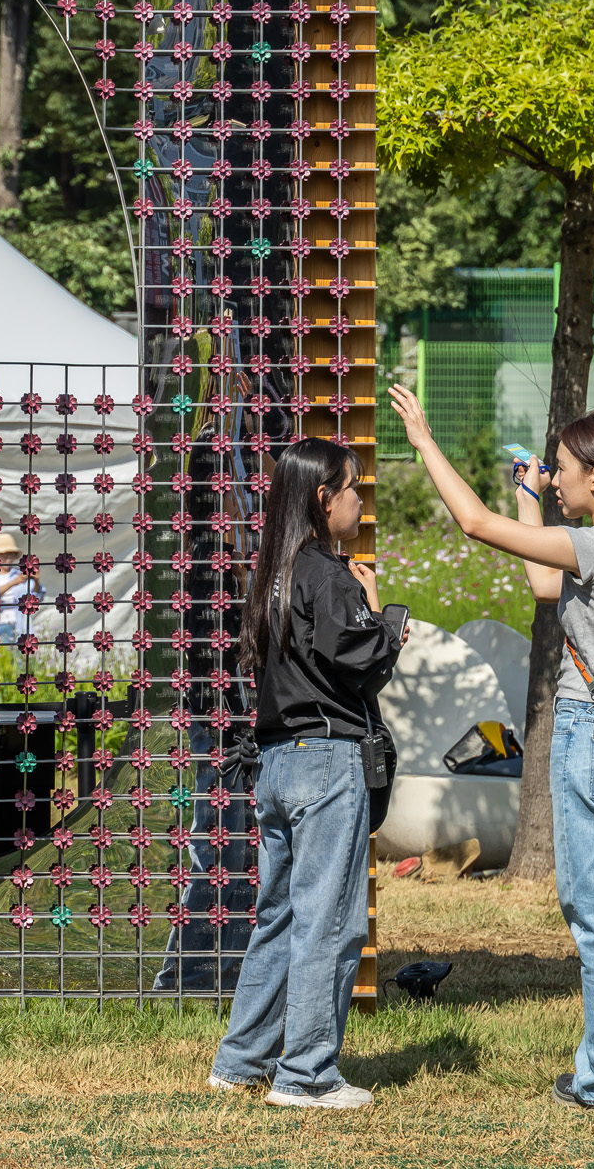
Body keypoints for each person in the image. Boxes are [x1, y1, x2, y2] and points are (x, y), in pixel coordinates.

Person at [386, 385, 594, 1111]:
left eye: (563, 468)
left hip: (593, 740)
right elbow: (545, 584)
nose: (555, 475)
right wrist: (530, 495)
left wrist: (423, 442)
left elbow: (474, 525)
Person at [208, 437, 408, 1110]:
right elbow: (358, 659)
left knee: (279, 915)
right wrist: (385, 620)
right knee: (331, 921)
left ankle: (241, 1061)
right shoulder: (328, 574)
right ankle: (308, 1075)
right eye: (353, 488)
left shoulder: (274, 571)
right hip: (326, 761)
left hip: (275, 761)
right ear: (324, 499)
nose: (360, 501)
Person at [0, 534, 40, 646]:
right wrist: (13, 583)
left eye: (11, 556)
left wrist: (36, 580)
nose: (8, 560)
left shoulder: (19, 574)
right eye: (4, 556)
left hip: (20, 624)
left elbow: (36, 596)